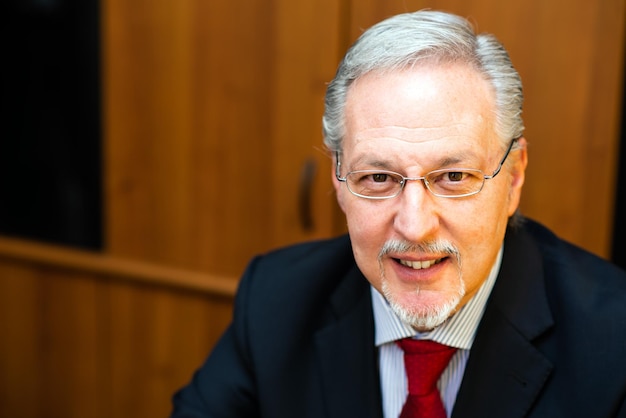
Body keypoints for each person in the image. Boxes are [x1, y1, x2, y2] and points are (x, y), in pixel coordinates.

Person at [170, 10, 626, 418]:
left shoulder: (613, 340)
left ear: (513, 177)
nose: (414, 224)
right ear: (339, 179)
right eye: (378, 178)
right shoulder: (275, 300)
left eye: (452, 176)